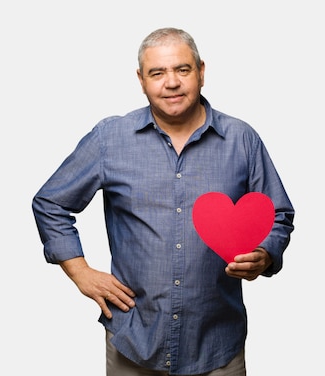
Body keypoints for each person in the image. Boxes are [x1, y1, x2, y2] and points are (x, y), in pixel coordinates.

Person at [32, 27, 295, 376]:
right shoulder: (110, 139)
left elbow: (278, 213)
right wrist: (79, 271)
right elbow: (50, 202)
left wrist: (264, 255)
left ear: (201, 72)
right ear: (141, 80)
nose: (171, 82)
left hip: (217, 344)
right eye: (157, 73)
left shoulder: (241, 139)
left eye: (182, 70)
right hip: (135, 340)